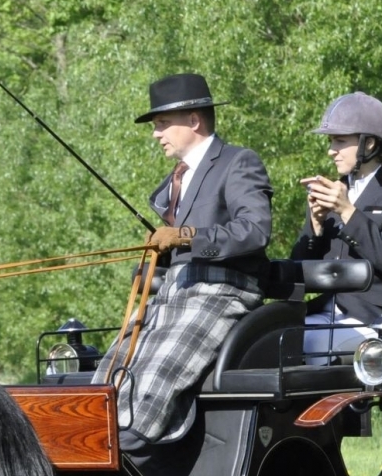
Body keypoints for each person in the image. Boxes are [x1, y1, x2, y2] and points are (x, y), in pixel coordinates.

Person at [96, 72, 272, 453]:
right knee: (112, 367)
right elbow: (171, 252)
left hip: (224, 289)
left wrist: (187, 235)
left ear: (194, 120)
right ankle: (91, 438)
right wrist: (151, 262)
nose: (156, 134)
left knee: (158, 371)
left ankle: (130, 447)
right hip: (174, 290)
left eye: (162, 124)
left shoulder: (238, 163)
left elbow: (255, 230)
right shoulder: (173, 182)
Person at [289, 92, 382, 359]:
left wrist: (347, 211)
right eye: (331, 141)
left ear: (368, 145)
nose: (331, 150)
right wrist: (316, 224)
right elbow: (299, 270)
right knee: (261, 342)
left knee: (305, 346)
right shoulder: (336, 190)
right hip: (326, 313)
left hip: (379, 318)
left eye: (340, 141)